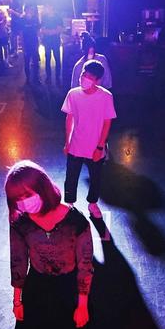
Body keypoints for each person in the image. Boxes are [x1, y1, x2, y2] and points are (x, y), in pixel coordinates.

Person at [5, 160, 102, 329]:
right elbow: (18, 261)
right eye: (17, 199)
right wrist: (17, 301)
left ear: (42, 188)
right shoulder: (21, 223)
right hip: (38, 292)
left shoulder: (76, 221)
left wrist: (82, 304)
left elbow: (85, 265)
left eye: (26, 195)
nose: (23, 203)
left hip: (71, 291)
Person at [62, 60, 117, 219]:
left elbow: (107, 122)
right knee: (71, 176)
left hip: (95, 147)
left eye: (89, 77)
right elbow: (69, 118)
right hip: (76, 144)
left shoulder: (106, 97)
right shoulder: (73, 94)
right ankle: (69, 203)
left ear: (97, 80)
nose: (84, 79)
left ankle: (92, 203)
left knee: (95, 177)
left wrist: (100, 147)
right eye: (83, 74)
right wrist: (67, 142)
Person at [40, 4, 63, 84]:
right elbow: (42, 29)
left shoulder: (58, 17)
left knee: (57, 60)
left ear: (52, 7)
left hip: (55, 41)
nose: (47, 8)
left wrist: (49, 32)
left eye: (48, 6)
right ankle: (48, 77)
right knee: (47, 59)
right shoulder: (44, 17)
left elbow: (60, 29)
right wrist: (53, 31)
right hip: (47, 41)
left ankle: (57, 77)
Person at [21, 5, 41, 85]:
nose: (30, 12)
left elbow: (38, 30)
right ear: (25, 11)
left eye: (31, 10)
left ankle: (36, 78)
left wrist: (39, 41)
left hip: (34, 43)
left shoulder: (35, 19)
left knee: (36, 62)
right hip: (26, 44)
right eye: (28, 10)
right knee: (27, 62)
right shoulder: (22, 20)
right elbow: (21, 33)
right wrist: (22, 46)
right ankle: (28, 79)